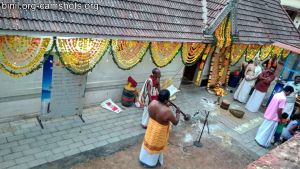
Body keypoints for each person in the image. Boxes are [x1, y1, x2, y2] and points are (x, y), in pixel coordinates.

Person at [139, 89, 180, 168]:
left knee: (148, 142)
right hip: (159, 133)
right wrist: (177, 113)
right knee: (155, 147)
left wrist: (165, 104)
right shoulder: (168, 111)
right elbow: (175, 122)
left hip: (151, 128)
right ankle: (150, 163)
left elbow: (157, 110)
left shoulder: (152, 103)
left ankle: (143, 159)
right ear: (166, 100)